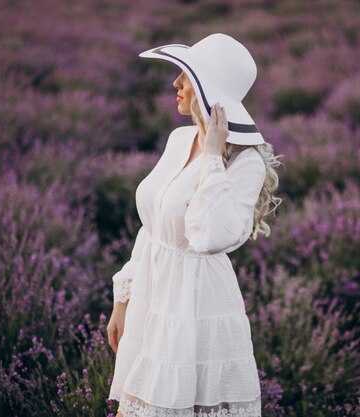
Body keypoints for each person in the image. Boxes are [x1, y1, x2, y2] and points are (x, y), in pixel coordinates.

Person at [106, 33, 283, 417]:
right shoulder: (178, 138)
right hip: (152, 298)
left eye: (185, 75)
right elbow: (152, 229)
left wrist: (214, 157)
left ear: (209, 89)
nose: (176, 84)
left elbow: (208, 237)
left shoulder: (244, 162)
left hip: (194, 307)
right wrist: (123, 301)